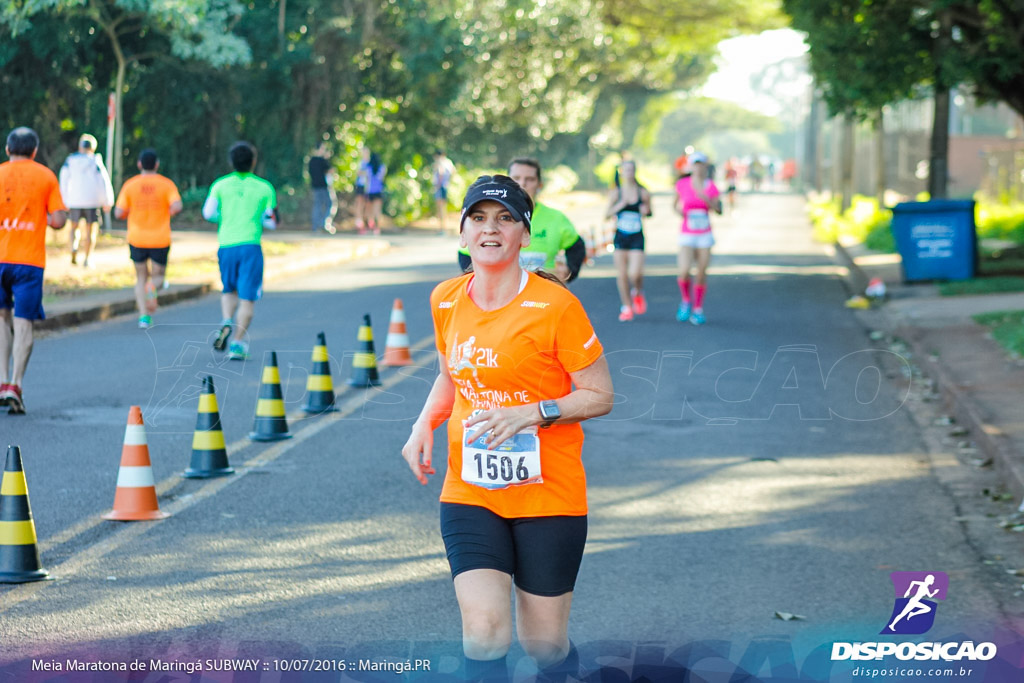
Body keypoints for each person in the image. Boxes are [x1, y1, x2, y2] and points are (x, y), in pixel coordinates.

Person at [402, 175, 613, 683]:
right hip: (471, 489)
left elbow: (600, 395)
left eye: (505, 219)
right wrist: (422, 425)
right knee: (484, 631)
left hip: (548, 495)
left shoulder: (556, 305)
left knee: (543, 646)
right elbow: (451, 374)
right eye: (478, 218)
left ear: (524, 234)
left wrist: (531, 413)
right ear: (462, 235)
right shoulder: (446, 299)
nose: (490, 229)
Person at [0, 127, 68, 414]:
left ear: (7, 149)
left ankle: (2, 382)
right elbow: (59, 220)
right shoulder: (46, 176)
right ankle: (16, 385)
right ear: (35, 151)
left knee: (1, 318)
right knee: (24, 321)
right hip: (29, 262)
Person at [202, 141, 277, 361]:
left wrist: (223, 218)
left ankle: (226, 320)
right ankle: (237, 342)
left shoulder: (220, 185)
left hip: (226, 245)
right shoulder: (264, 187)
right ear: (253, 162)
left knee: (229, 290)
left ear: (231, 162)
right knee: (247, 299)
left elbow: (208, 213)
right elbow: (272, 221)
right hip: (250, 246)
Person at [458, 158, 587, 284]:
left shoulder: (556, 218)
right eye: (516, 178)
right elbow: (464, 254)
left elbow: (577, 247)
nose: (523, 183)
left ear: (539, 184)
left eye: (505, 218)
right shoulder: (444, 296)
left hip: (543, 293)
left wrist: (569, 271)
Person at [114, 148, 183, 329]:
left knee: (140, 277)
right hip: (160, 237)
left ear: (139, 164)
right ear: (157, 165)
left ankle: (144, 317)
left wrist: (132, 211)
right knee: (158, 276)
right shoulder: (166, 184)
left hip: (137, 237)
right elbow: (177, 206)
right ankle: (152, 288)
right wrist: (165, 212)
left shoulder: (130, 185)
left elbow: (119, 212)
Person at [675, 152, 721, 326]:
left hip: (704, 234)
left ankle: (698, 308)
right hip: (687, 233)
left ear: (705, 167)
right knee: (684, 270)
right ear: (691, 166)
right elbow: (675, 205)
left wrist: (706, 199)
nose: (698, 167)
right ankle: (686, 300)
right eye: (695, 164)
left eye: (701, 164)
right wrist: (680, 212)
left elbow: (718, 209)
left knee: (701, 272)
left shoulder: (711, 186)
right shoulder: (682, 184)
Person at [604, 159, 651, 322]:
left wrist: (646, 210)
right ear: (622, 172)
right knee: (622, 274)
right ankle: (626, 307)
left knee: (635, 273)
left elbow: (650, 212)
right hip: (621, 237)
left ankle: (638, 291)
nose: (629, 173)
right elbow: (607, 215)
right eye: (626, 170)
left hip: (637, 237)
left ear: (635, 171)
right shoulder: (617, 193)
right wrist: (620, 205)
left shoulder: (643, 192)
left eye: (632, 170)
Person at [59, 133, 113, 267]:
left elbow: (63, 179)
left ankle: (74, 246)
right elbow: (104, 181)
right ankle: (88, 258)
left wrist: (64, 199)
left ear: (79, 146)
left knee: (73, 227)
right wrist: (107, 200)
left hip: (74, 200)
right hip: (92, 201)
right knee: (91, 230)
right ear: (93, 148)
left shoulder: (70, 161)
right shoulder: (95, 161)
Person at [308, 143, 336, 234]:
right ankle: (325, 223)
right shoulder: (322, 160)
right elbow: (330, 170)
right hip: (324, 186)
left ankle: (316, 226)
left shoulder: (311, 161)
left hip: (315, 186)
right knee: (330, 204)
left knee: (317, 205)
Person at [361, 151, 386, 236]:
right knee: (377, 212)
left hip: (370, 192)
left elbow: (367, 180)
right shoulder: (382, 167)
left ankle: (367, 227)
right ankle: (376, 228)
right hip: (378, 191)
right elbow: (382, 179)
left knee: (368, 211)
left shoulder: (368, 167)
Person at [432, 149, 456, 235]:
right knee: (443, 208)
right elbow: (453, 171)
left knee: (440, 208)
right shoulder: (448, 162)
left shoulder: (440, 162)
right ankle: (443, 229)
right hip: (445, 186)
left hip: (440, 187)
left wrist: (438, 185)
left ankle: (441, 229)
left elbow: (440, 172)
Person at [353, 146, 370, 233]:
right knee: (359, 204)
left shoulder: (370, 163)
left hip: (368, 187)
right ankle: (359, 223)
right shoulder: (360, 163)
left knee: (367, 206)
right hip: (360, 186)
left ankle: (366, 224)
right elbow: (358, 173)